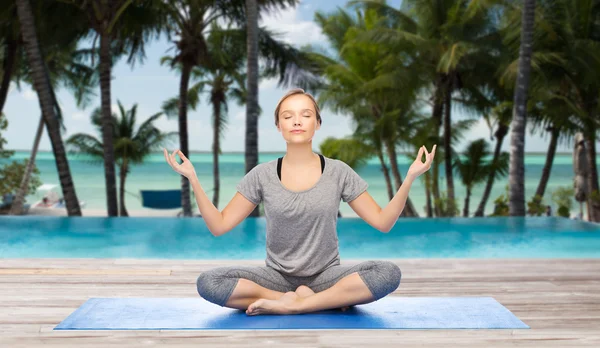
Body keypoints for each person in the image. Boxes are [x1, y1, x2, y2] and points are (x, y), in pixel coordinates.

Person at [164, 88, 436, 316]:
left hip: (327, 277)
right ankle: (314, 300)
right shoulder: (262, 175)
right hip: (276, 279)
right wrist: (193, 179)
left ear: (317, 124)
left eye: (306, 115)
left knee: (387, 273)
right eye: (288, 116)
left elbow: (383, 222)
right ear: (278, 126)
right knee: (209, 282)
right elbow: (219, 225)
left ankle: (297, 306)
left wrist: (410, 177)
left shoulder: (339, 172)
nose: (297, 121)